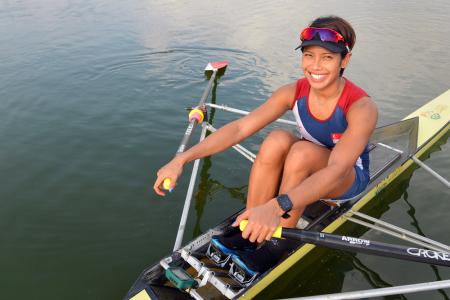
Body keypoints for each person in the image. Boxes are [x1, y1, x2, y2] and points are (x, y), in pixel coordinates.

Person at [154, 15, 378, 275]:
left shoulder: (362, 107)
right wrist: (180, 159)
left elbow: (338, 169)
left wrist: (276, 206)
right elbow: (239, 128)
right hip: (307, 164)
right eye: (309, 55)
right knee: (276, 139)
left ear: (345, 60)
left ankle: (278, 242)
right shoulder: (292, 91)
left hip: (347, 178)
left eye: (327, 57)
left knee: (301, 152)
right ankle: (249, 228)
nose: (315, 66)